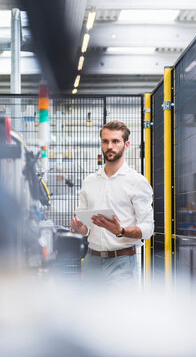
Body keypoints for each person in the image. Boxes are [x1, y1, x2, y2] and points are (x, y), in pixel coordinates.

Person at [70, 120, 153, 285]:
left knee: (120, 311)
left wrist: (120, 231)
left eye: (115, 141)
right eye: (105, 141)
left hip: (122, 262)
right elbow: (85, 228)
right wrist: (81, 228)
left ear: (126, 144)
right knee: (89, 310)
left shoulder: (137, 182)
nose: (110, 146)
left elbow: (148, 228)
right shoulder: (89, 182)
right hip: (91, 261)